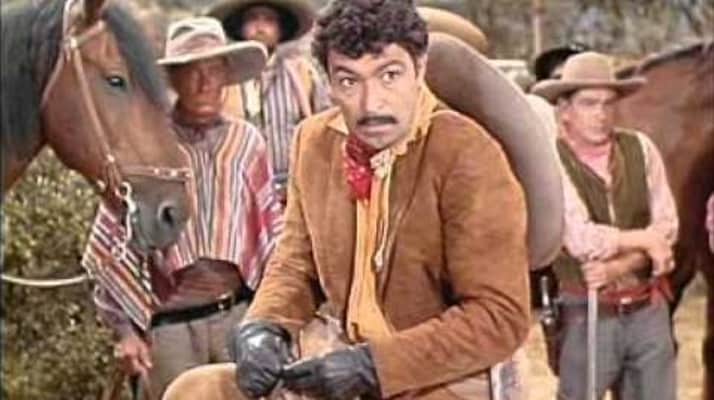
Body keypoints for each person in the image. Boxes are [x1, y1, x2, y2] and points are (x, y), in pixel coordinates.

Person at [229, 1, 531, 399]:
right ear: (328, 83)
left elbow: (499, 316)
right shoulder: (314, 142)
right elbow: (296, 261)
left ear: (419, 69)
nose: (372, 104)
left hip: (440, 373)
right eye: (349, 81)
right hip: (343, 356)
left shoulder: (467, 152)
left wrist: (374, 366)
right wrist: (264, 326)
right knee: (197, 389)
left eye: (389, 75)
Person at [81, 17, 282, 397]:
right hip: (168, 331)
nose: (204, 83)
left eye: (214, 70)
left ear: (227, 76)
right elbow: (111, 245)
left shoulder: (247, 143)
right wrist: (124, 332)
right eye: (192, 71)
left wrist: (276, 320)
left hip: (238, 318)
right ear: (173, 79)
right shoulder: (147, 147)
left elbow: (273, 236)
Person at [532, 51, 679, 400]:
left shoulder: (640, 149)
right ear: (565, 109)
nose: (601, 114)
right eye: (588, 103)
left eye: (608, 104)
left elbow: (667, 226)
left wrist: (620, 266)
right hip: (585, 313)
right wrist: (646, 241)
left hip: (647, 310)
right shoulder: (552, 161)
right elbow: (580, 238)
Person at [207, 0, 331, 204]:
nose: (260, 27)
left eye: (269, 20)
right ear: (240, 27)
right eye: (253, 19)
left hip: (295, 193)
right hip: (239, 195)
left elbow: (326, 129)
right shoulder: (225, 80)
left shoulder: (302, 74)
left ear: (281, 29)